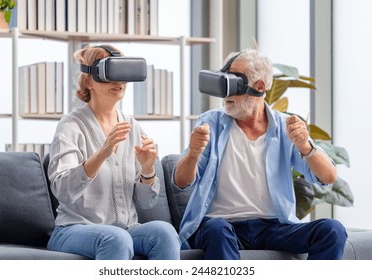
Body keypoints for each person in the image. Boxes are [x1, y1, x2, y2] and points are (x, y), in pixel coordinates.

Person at [173, 48, 347, 260]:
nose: (226, 93)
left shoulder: (285, 126)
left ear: (259, 86)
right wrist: (193, 153)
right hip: (221, 225)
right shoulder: (210, 123)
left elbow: (328, 177)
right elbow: (181, 182)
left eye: (234, 82)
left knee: (332, 230)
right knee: (217, 229)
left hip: (273, 227)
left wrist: (305, 147)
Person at [46, 44, 180, 260]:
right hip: (73, 230)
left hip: (127, 229)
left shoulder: (132, 126)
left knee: (165, 233)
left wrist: (147, 170)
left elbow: (147, 203)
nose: (119, 82)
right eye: (111, 74)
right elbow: (63, 191)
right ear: (88, 80)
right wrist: (103, 152)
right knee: (116, 238)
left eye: (123, 75)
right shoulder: (71, 126)